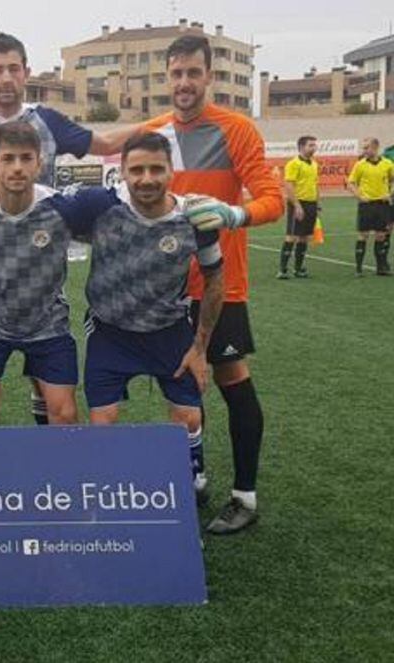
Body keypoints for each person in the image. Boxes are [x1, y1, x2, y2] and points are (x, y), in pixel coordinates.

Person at [0, 32, 140, 425]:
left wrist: (166, 123)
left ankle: (47, 461)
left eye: (13, 68)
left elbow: (104, 143)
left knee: (47, 385)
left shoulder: (45, 121)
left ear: (26, 72)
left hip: (42, 255)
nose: (6, 77)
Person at [150, 34, 285, 534]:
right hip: (167, 289)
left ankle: (244, 496)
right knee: (185, 383)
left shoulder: (237, 130)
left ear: (209, 76)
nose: (184, 83)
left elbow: (273, 200)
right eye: (176, 73)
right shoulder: (152, 133)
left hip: (219, 286)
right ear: (167, 77)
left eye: (193, 73)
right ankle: (196, 475)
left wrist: (233, 213)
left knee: (231, 381)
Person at [81, 133, 225, 480]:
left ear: (171, 171)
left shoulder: (196, 219)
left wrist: (200, 347)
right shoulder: (99, 207)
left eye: (156, 169)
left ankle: (192, 479)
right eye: (137, 170)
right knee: (103, 423)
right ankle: (108, 486)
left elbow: (216, 280)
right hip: (110, 332)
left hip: (169, 330)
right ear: (123, 173)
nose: (146, 179)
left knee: (189, 418)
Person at [347, 137, 394, 276]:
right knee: (363, 235)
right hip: (366, 205)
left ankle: (381, 268)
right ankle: (358, 269)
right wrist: (359, 196)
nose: (364, 150)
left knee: (381, 235)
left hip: (382, 204)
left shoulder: (387, 164)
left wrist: (390, 193)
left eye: (366, 147)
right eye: (364, 147)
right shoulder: (360, 165)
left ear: (375, 148)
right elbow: (351, 183)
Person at [278, 136, 320, 279]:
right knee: (291, 236)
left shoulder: (314, 164)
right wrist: (296, 205)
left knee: (304, 237)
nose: (314, 148)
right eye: (311, 145)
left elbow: (315, 184)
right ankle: (282, 270)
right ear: (302, 147)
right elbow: (288, 185)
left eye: (314, 145)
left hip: (311, 204)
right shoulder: (293, 164)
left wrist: (317, 202)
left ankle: (298, 269)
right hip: (298, 203)